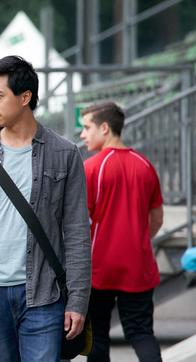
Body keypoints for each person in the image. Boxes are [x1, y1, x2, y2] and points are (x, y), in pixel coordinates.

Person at [0, 55, 91, 361]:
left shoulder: (64, 154)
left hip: (44, 295)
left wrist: (78, 300)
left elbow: (77, 233)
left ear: (25, 97)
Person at [80, 101, 163, 362]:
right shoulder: (145, 165)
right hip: (139, 265)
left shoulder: (91, 168)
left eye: (86, 127)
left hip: (99, 267)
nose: (83, 134)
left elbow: (79, 222)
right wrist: (136, 241)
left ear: (104, 128)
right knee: (141, 333)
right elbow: (157, 218)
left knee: (98, 336)